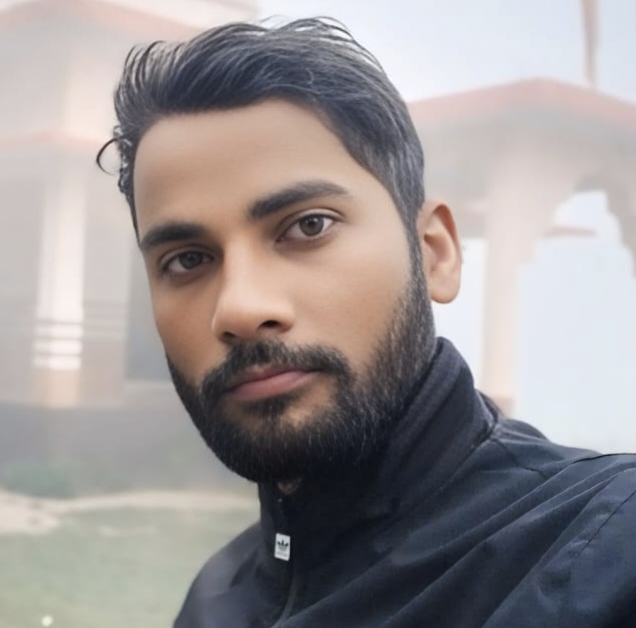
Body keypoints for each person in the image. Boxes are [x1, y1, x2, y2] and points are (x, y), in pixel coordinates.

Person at [100, 17, 636, 628]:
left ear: (435, 253)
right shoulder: (215, 599)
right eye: (187, 260)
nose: (240, 309)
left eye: (308, 226)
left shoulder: (601, 553)